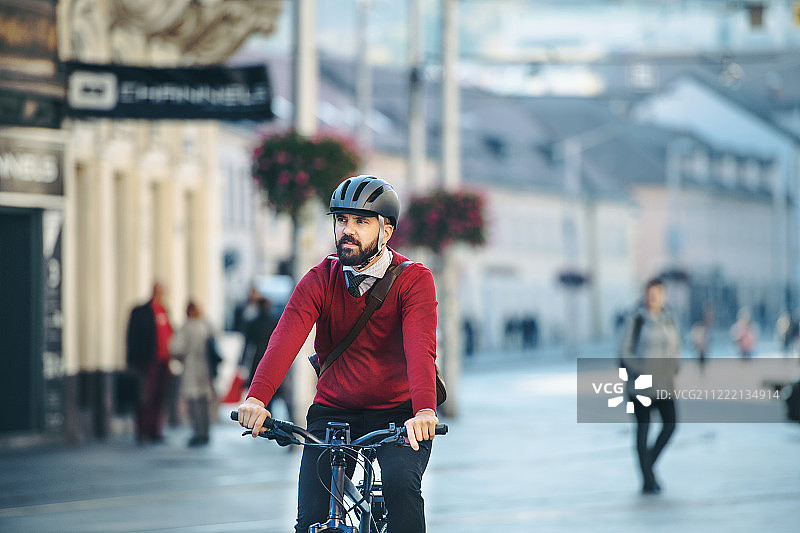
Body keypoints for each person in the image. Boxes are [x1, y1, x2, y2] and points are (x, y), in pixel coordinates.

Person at [236, 175, 440, 533]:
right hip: (334, 410)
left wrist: (424, 410)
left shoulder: (413, 280)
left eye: (361, 222)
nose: (348, 230)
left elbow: (419, 348)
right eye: (342, 220)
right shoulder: (320, 278)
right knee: (312, 515)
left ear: (386, 231)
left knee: (400, 485)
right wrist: (256, 398)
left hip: (399, 413)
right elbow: (284, 338)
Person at [619, 277, 680, 495]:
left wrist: (673, 365)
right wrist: (641, 370)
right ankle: (646, 479)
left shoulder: (669, 318)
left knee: (671, 425)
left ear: (663, 295)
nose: (654, 298)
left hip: (664, 384)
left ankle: (649, 467)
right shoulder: (636, 319)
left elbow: (674, 345)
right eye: (650, 293)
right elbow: (624, 351)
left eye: (658, 293)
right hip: (640, 386)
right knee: (643, 430)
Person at [126, 282, 174, 444]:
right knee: (145, 396)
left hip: (163, 362)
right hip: (147, 362)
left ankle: (155, 430)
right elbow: (132, 337)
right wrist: (133, 360)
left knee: (160, 397)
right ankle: (143, 430)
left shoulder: (164, 310)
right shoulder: (141, 311)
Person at [170, 301, 217, 447]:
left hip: (191, 369)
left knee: (194, 403)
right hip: (206, 370)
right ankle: (205, 432)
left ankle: (198, 433)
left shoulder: (187, 328)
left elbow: (176, 348)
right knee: (204, 403)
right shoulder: (207, 326)